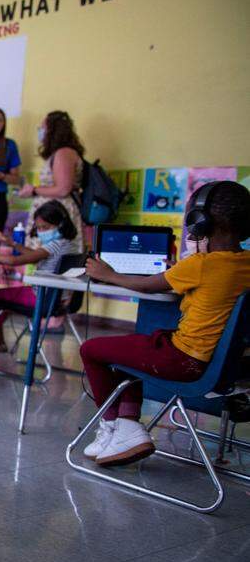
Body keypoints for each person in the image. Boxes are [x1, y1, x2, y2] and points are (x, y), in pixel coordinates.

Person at [79, 181, 250, 466]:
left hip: (184, 361)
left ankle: (110, 425)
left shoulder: (199, 265)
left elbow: (146, 286)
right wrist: (181, 272)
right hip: (226, 367)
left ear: (200, 223)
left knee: (90, 349)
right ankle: (127, 427)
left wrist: (107, 273)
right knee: (129, 350)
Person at [0, 199, 82, 351]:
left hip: (41, 298)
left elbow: (14, 260)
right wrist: (13, 244)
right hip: (57, 299)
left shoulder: (53, 245)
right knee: (4, 301)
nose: (41, 231)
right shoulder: (69, 243)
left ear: (60, 224)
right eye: (39, 228)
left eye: (46, 227)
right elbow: (36, 255)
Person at [19, 110, 85, 253]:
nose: (40, 131)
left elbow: (63, 189)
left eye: (43, 127)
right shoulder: (58, 153)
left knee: (54, 260)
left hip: (57, 215)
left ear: (53, 130)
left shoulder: (64, 153)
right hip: (50, 214)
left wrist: (34, 190)